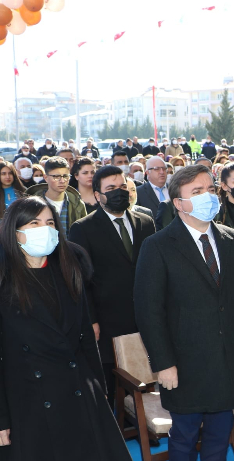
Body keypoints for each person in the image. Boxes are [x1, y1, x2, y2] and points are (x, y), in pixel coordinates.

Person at [0, 196, 140, 461]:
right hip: (26, 402)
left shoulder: (69, 265)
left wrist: (99, 391)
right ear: (14, 233)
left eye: (49, 223)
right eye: (34, 224)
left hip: (76, 394)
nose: (44, 230)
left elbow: (84, 336)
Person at [134, 164, 234, 461]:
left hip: (226, 358)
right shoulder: (158, 246)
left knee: (223, 428)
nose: (209, 196)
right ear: (179, 202)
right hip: (184, 362)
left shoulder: (231, 238)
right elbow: (149, 312)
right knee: (184, 435)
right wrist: (163, 363)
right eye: (198, 191)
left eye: (211, 188)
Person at [69, 165, 156, 405]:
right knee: (112, 377)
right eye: (111, 188)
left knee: (146, 373)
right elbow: (80, 280)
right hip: (107, 319)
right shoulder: (82, 229)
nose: (119, 192)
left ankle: (142, 423)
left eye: (122, 187)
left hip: (146, 313)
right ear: (98, 195)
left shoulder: (146, 221)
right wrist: (91, 318)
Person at [25, 157, 87, 238]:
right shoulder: (31, 204)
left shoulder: (77, 203)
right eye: (56, 176)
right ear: (46, 178)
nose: (62, 181)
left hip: (70, 249)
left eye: (65, 176)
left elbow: (84, 233)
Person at [0, 162, 27, 234]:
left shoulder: (23, 191)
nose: (7, 177)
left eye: (10, 173)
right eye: (3, 174)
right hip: (1, 237)